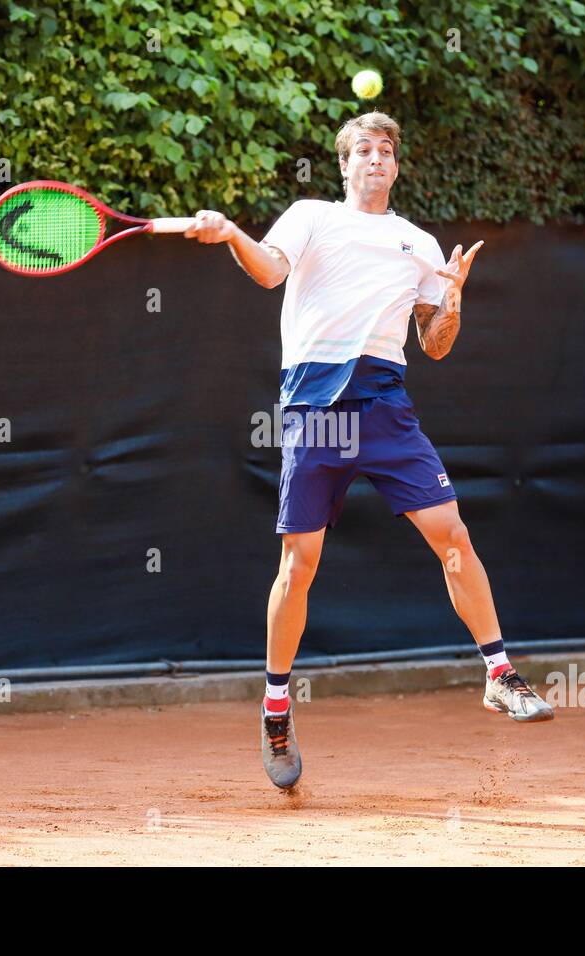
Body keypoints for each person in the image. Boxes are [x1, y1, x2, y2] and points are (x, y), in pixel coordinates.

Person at [182, 111, 553, 789]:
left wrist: (453, 298)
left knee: (453, 535)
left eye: (386, 150)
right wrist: (233, 232)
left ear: (397, 166)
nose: (376, 159)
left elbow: (435, 344)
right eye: (363, 151)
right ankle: (275, 708)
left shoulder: (419, 242)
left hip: (385, 402)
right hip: (316, 406)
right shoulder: (312, 216)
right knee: (299, 563)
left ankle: (499, 672)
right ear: (344, 166)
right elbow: (268, 273)